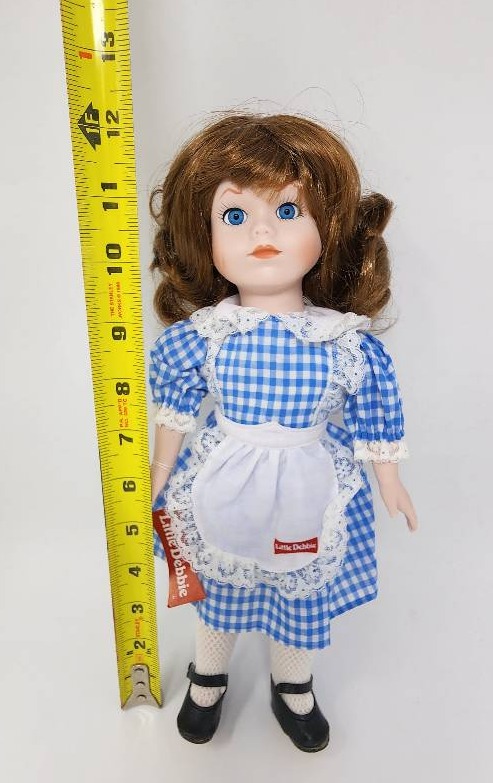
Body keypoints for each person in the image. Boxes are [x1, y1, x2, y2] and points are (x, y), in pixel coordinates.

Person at [148, 113, 417, 752]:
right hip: (225, 480)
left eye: (289, 211)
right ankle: (208, 676)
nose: (262, 232)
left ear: (329, 228)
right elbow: (175, 408)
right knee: (218, 584)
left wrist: (390, 479)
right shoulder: (207, 337)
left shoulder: (340, 341)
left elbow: (376, 410)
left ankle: (292, 684)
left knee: (300, 595)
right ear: (204, 236)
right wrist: (159, 471)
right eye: (234, 215)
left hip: (305, 485)